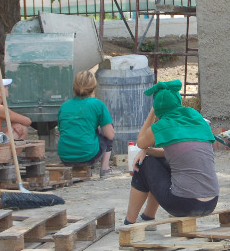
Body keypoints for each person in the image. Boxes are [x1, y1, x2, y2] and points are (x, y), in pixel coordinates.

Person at [125, 79, 219, 224]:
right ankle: (147, 218)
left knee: (143, 164)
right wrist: (148, 151)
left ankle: (129, 223)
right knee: (159, 161)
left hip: (184, 204)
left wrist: (152, 113)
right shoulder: (196, 118)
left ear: (158, 109)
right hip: (211, 202)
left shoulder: (164, 124)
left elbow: (140, 142)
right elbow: (174, 155)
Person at [57, 71, 115, 178]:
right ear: (94, 88)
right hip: (88, 156)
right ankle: (104, 169)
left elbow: (62, 131)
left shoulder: (64, 106)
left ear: (74, 87)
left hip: (65, 157)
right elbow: (110, 135)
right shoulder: (97, 104)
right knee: (109, 130)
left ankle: (75, 165)